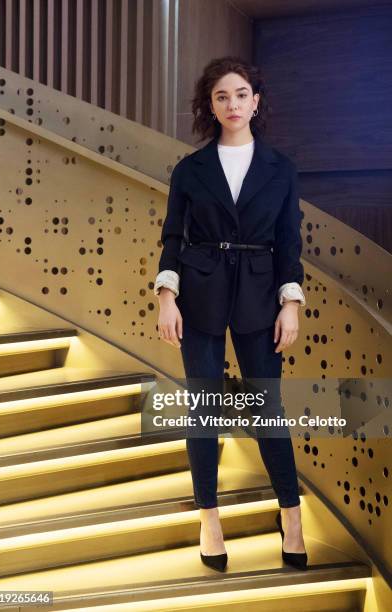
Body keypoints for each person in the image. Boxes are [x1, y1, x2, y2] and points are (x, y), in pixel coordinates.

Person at [154, 56, 308, 573]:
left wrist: (291, 302)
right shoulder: (190, 169)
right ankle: (209, 518)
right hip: (197, 289)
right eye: (222, 97)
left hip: (262, 294)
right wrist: (166, 296)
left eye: (241, 94)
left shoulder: (281, 169)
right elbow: (174, 237)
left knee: (268, 410)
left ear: (256, 101)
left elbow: (289, 241)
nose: (233, 104)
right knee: (204, 408)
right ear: (211, 105)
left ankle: (291, 517)